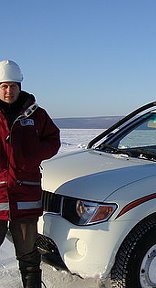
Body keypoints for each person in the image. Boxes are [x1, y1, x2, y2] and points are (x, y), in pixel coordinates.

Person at [0, 60, 60, 287]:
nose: (8, 90)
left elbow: (53, 140)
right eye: (3, 86)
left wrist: (33, 155)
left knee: (28, 254)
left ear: (19, 86)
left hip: (25, 194)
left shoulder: (36, 114)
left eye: (12, 86)